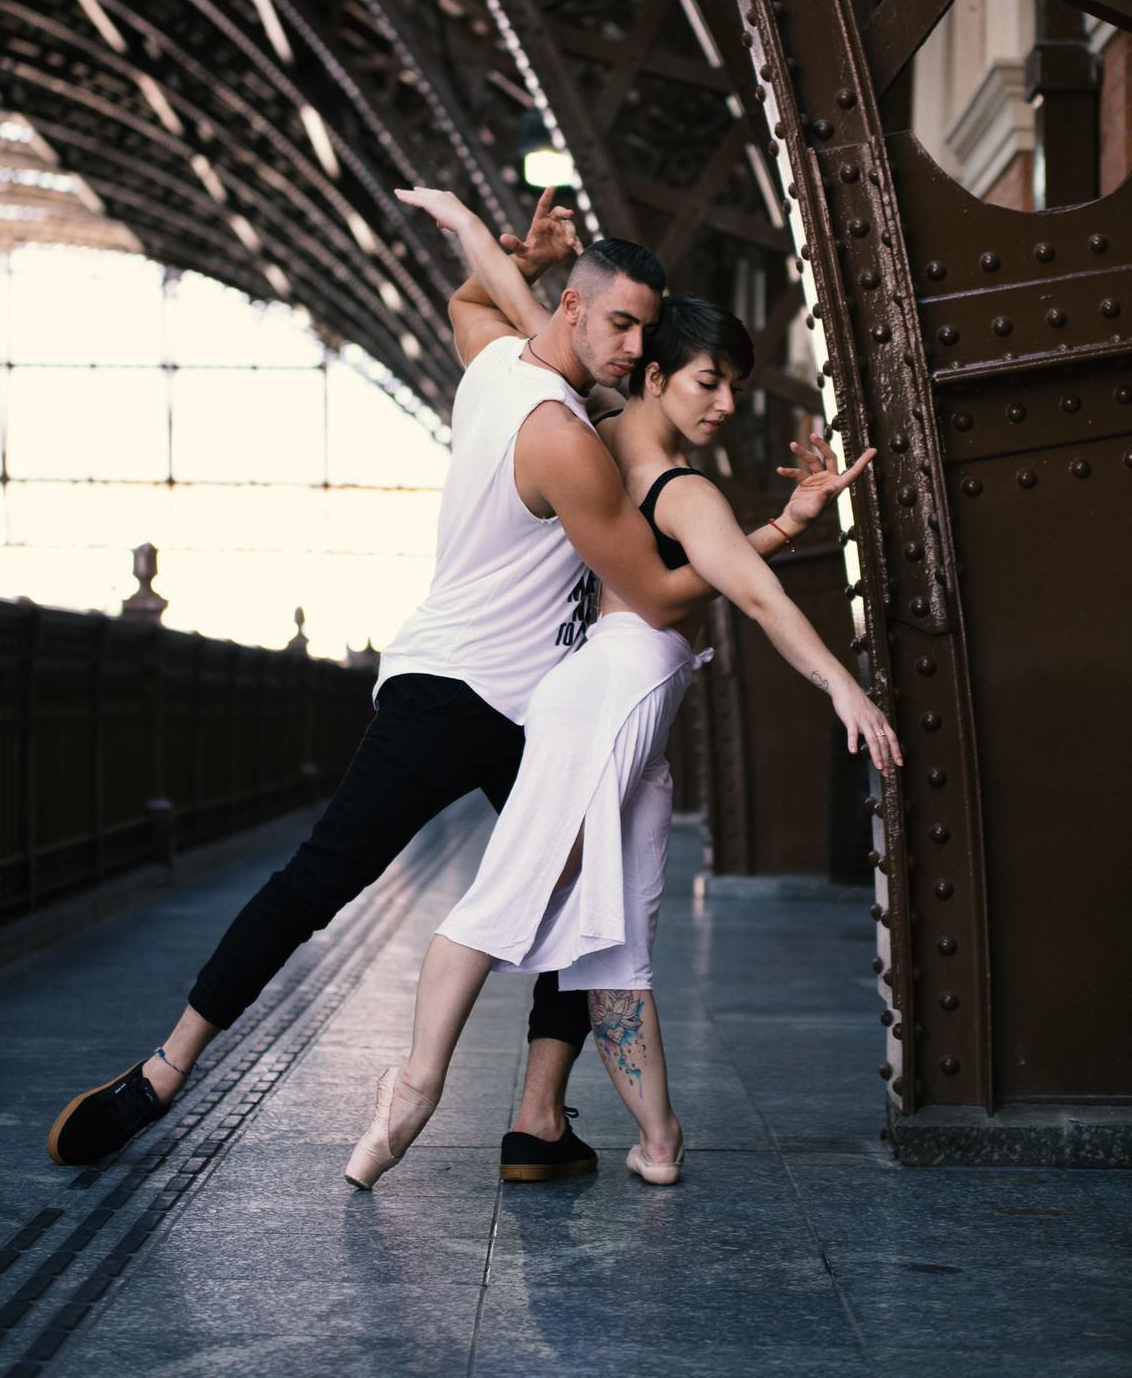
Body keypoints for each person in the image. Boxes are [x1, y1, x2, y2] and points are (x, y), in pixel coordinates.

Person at [47, 188, 723, 1178]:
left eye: (645, 331)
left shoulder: (497, 366)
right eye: (619, 322)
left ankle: (177, 1070)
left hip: (456, 688)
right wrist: (772, 541)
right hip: (492, 700)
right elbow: (658, 594)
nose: (632, 347)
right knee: (556, 899)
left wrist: (517, 258)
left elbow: (468, 306)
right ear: (573, 311)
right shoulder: (570, 439)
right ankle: (524, 1115)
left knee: (359, 879)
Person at [343, 188, 900, 1191]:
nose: (723, 402)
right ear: (656, 374)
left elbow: (521, 303)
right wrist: (841, 688)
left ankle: (658, 1138)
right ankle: (406, 1100)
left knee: (617, 941)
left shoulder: (608, 420)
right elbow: (758, 596)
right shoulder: (682, 488)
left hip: (633, 721)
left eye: (731, 383)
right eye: (707, 381)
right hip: (598, 713)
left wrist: (470, 227)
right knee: (504, 902)